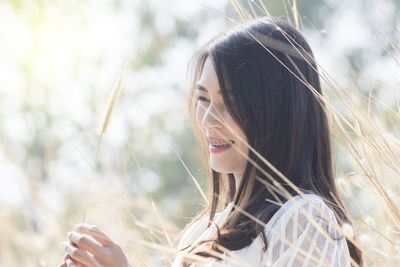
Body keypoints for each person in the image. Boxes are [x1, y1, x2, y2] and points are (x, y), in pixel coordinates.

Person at [59, 17, 363, 267]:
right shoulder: (198, 235)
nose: (207, 120)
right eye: (203, 99)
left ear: (277, 112)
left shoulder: (304, 219)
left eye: (230, 103)